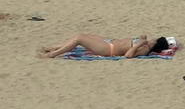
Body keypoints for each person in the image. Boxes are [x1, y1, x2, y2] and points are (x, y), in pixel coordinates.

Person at [40, 33, 175, 59]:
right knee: (82, 35)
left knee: (79, 39)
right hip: (110, 41)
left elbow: (128, 55)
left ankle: (52, 54)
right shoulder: (145, 44)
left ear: (155, 44)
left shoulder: (144, 50)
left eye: (155, 39)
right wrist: (142, 38)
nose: (153, 38)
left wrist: (139, 44)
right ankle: (54, 47)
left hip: (108, 49)